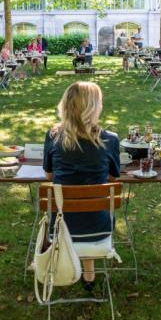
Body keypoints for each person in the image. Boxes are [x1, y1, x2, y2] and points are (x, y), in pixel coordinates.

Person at [42, 82, 120, 292]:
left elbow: (49, 174)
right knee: (89, 207)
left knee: (74, 207)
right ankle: (89, 272)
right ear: (94, 107)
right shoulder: (110, 139)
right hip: (99, 228)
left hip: (60, 229)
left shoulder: (53, 136)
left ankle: (83, 269)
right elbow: (114, 176)